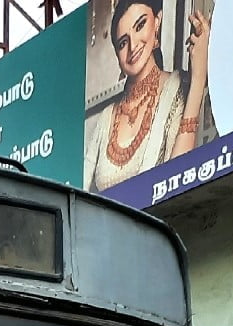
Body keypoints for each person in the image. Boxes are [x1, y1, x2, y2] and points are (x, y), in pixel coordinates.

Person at [84, 1, 211, 192]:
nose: (133, 46)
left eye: (140, 25)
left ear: (157, 23)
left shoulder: (177, 86)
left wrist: (198, 77)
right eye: (123, 43)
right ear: (117, 56)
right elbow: (78, 194)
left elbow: (178, 177)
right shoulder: (105, 119)